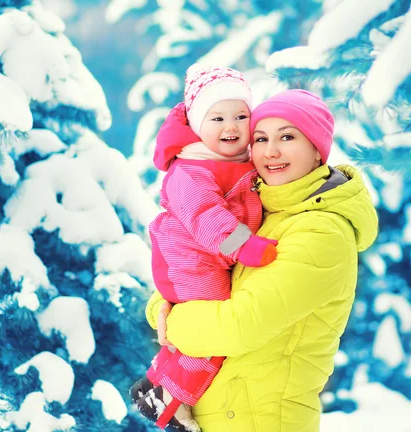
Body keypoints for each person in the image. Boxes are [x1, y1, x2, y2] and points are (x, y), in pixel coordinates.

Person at [146, 89, 379, 431]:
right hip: (224, 417)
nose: (271, 151)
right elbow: (196, 276)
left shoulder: (322, 232)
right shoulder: (264, 214)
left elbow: (238, 325)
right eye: (260, 138)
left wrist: (172, 321)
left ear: (317, 149)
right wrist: (161, 308)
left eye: (287, 136)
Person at [130, 65, 279, 432]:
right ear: (198, 125)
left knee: (210, 328)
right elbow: (205, 218)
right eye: (218, 118)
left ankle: (155, 385)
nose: (230, 127)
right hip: (190, 260)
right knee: (213, 331)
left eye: (241, 116)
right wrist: (245, 248)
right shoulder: (191, 169)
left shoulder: (237, 162)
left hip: (208, 258)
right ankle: (169, 397)